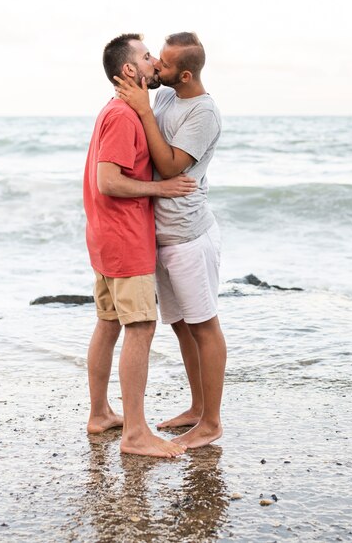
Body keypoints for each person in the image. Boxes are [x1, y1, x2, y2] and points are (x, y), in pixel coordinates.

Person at [83, 33, 197, 457]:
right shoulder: (123, 117)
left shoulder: (120, 110)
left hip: (105, 235)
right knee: (141, 328)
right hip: (124, 237)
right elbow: (107, 181)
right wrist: (163, 187)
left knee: (109, 323)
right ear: (129, 70)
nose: (154, 62)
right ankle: (135, 434)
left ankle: (101, 415)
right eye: (147, 56)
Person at [114, 32, 227, 449]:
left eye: (162, 64)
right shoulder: (163, 96)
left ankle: (212, 422)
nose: (155, 68)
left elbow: (170, 165)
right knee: (181, 326)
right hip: (159, 235)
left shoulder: (204, 113)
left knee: (205, 326)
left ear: (184, 74)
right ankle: (197, 409)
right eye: (153, 60)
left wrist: (143, 111)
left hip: (188, 237)